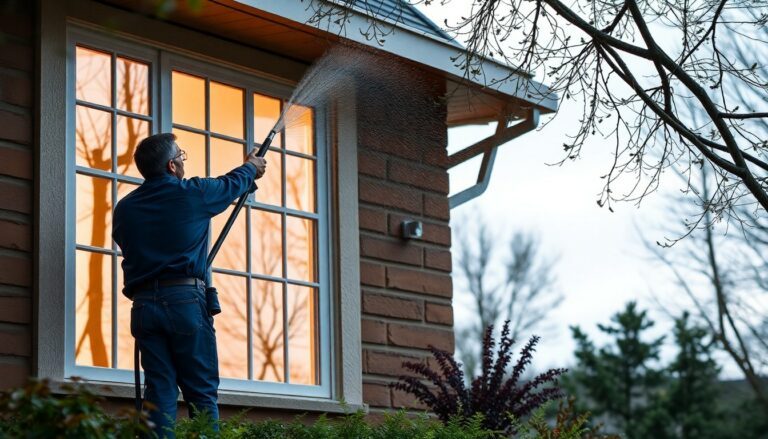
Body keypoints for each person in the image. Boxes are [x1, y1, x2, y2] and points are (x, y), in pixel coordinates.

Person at [112, 133, 266, 438]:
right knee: (201, 391)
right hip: (184, 302)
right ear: (172, 165)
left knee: (159, 391)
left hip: (144, 307)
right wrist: (251, 167)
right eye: (181, 155)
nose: (183, 161)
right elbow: (230, 184)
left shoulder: (125, 208)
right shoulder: (192, 194)